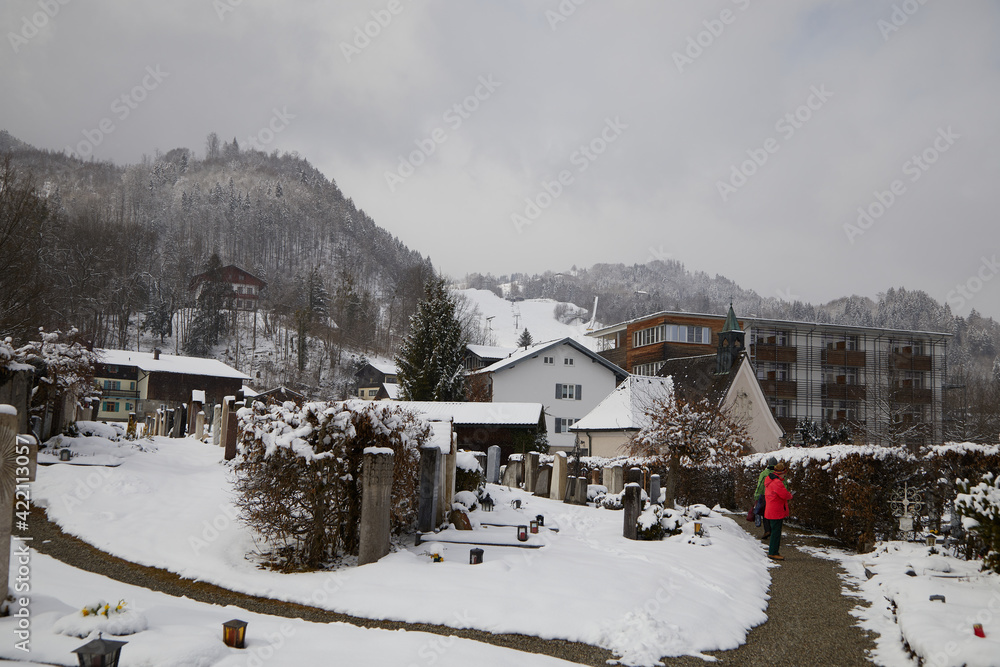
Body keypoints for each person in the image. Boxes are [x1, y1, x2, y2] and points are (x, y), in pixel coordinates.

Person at [764, 461, 793, 561]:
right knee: (776, 533)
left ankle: (773, 551)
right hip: (776, 511)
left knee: (774, 532)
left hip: (771, 509)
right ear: (782, 472)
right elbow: (785, 495)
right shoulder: (777, 482)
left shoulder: (770, 480)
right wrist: (790, 494)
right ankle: (773, 552)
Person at [754, 457, 777, 540]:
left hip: (765, 496)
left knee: (765, 513)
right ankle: (774, 531)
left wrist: (757, 495)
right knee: (774, 514)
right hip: (775, 497)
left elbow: (760, 485)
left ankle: (767, 530)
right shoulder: (778, 473)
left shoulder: (764, 473)